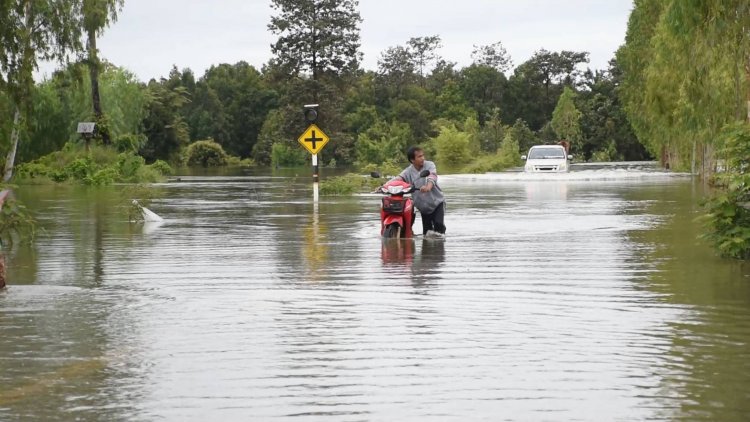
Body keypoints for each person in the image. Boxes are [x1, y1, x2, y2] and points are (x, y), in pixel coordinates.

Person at [390, 146, 446, 236]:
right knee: (427, 233)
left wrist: (428, 186)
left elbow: (432, 176)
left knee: (438, 225)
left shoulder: (430, 165)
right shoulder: (408, 171)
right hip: (423, 208)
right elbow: (398, 179)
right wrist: (383, 186)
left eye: (423, 155)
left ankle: (440, 245)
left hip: (437, 203)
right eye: (419, 157)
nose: (423, 158)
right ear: (412, 160)